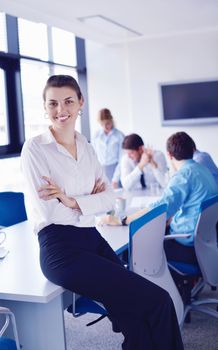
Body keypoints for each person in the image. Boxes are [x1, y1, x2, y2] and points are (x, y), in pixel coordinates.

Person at [21, 75, 184, 350]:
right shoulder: (35, 148)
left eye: (68, 101)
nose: (61, 110)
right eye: (53, 104)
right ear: (45, 107)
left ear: (80, 103)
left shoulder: (86, 147)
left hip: (92, 237)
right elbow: (49, 210)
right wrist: (88, 200)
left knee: (134, 314)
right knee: (158, 301)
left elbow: (109, 197)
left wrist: (71, 201)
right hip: (60, 248)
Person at [104, 132, 218, 267]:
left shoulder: (183, 176)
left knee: (134, 248)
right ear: (192, 149)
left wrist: (122, 220)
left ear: (169, 155)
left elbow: (158, 209)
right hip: (205, 242)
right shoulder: (202, 169)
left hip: (187, 246)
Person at [92, 108, 124, 188]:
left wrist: (115, 179)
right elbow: (93, 156)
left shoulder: (119, 136)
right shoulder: (96, 136)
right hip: (100, 171)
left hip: (115, 170)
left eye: (107, 123)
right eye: (102, 124)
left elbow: (121, 159)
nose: (105, 127)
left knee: (117, 196)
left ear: (111, 120)